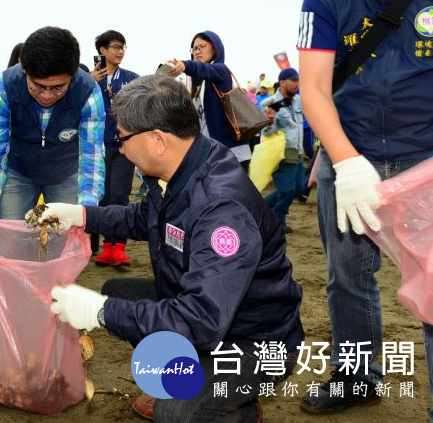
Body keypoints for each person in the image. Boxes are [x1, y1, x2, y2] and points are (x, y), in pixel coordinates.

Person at [34, 75, 303, 422]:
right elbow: (142, 217)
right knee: (119, 292)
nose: (120, 148)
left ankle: (236, 408)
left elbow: (202, 320)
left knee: (177, 412)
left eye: (123, 138)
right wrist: (81, 215)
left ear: (158, 140)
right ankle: (201, 382)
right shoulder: (184, 166)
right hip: (213, 309)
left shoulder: (221, 209)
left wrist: (102, 312)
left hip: (254, 337)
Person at [296, 0, 433, 417]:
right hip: (350, 152)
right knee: (347, 276)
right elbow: (313, 87)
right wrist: (347, 162)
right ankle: (357, 378)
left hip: (427, 156)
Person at [0, 26, 105, 225]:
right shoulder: (4, 89)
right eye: (38, 86)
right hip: (18, 171)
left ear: (72, 75)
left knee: (64, 237)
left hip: (66, 173)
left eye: (58, 88)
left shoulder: (88, 92)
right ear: (25, 70)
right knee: (12, 237)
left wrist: (87, 208)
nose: (47, 96)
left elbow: (91, 154)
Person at [168, 31, 252, 171]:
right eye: (194, 48)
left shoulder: (220, 71)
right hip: (210, 154)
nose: (197, 51)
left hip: (232, 152)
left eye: (202, 46)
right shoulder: (198, 84)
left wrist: (185, 65)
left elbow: (203, 69)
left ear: (215, 48)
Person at [89, 30, 139, 266]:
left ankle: (118, 246)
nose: (120, 51)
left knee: (119, 195)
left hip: (123, 147)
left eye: (123, 47)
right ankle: (106, 247)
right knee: (103, 196)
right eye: (115, 47)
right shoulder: (88, 81)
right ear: (102, 50)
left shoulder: (132, 78)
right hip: (97, 148)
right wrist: (90, 83)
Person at [260, 68, 306, 234]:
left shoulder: (298, 100)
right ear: (282, 82)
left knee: (300, 188)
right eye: (293, 80)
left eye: (297, 80)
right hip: (281, 153)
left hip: (297, 152)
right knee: (287, 191)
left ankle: (262, 207)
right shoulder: (270, 103)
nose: (296, 84)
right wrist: (270, 122)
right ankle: (277, 221)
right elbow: (264, 133)